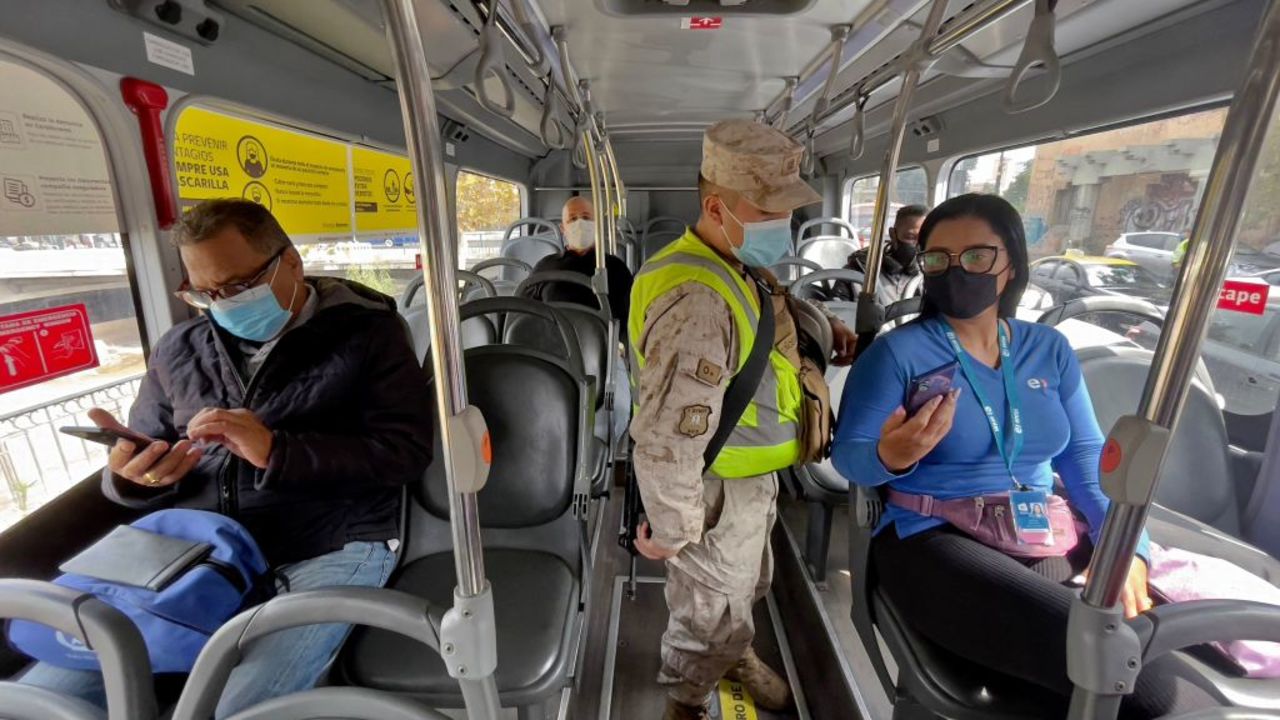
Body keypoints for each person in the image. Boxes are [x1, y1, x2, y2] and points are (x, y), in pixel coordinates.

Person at [19, 198, 434, 718]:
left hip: (328, 539)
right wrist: (133, 477)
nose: (222, 303)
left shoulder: (369, 334)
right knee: (45, 698)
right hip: (197, 546)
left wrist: (277, 451)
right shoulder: (179, 348)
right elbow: (144, 445)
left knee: (233, 708)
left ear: (291, 263)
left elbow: (404, 452)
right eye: (204, 293)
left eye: (237, 288)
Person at [831, 194, 1216, 718]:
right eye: (938, 258)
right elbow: (851, 459)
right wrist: (892, 456)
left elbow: (1084, 455)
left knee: (1144, 647)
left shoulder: (1048, 349)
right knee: (1137, 679)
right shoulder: (897, 353)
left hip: (1036, 526)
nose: (956, 270)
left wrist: (1124, 548)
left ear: (1010, 261)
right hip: (933, 536)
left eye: (976, 256)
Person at [629, 119, 856, 720]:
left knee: (747, 587)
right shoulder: (697, 297)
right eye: (768, 211)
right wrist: (675, 527)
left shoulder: (734, 263)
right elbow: (666, 434)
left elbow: (764, 309)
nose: (782, 225)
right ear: (716, 206)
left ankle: (737, 656)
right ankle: (687, 699)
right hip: (711, 489)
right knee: (708, 607)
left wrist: (822, 326)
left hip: (747, 480)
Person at [520, 196, 634, 323]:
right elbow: (524, 314)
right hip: (550, 338)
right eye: (572, 219)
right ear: (563, 229)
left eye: (586, 218)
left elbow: (629, 317)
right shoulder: (545, 267)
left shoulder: (616, 268)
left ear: (597, 225)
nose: (580, 224)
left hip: (600, 340)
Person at [833, 203, 927, 305]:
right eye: (910, 237)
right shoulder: (857, 270)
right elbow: (837, 313)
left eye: (925, 238)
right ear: (893, 235)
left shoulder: (934, 276)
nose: (919, 245)